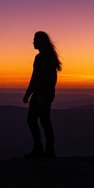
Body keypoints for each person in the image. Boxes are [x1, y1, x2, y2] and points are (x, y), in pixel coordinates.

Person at [23, 31, 62, 159]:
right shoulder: (48, 56)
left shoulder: (42, 58)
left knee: (33, 120)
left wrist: (36, 94)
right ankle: (48, 150)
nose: (33, 42)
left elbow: (39, 78)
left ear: (41, 41)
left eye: (35, 39)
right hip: (45, 94)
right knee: (45, 121)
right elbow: (46, 79)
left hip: (41, 94)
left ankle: (39, 149)